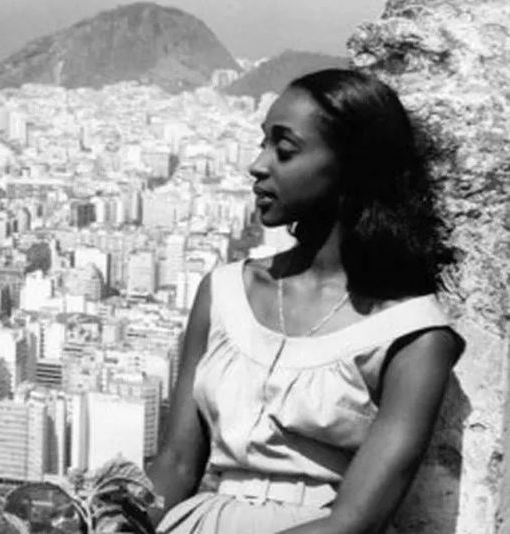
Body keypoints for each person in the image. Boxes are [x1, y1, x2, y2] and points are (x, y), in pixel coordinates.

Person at [147, 69, 466, 533]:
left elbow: (353, 523)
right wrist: (109, 518)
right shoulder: (224, 292)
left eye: (284, 149)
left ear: (352, 167)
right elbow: (176, 464)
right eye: (263, 144)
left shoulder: (413, 334)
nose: (258, 165)